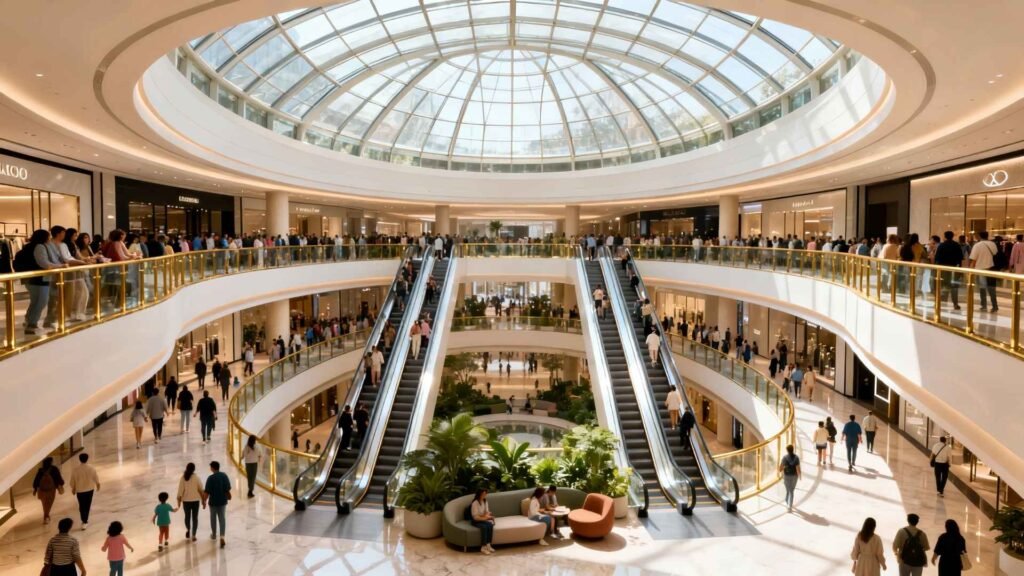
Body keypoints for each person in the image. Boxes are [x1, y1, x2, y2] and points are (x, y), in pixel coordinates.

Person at [968, 230, 999, 312]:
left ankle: (984, 305)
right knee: (992, 288)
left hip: (980, 269)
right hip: (991, 268)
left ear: (979, 236)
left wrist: (970, 270)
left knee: (982, 288)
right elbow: (995, 254)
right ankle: (994, 306)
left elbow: (973, 259)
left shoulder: (977, 245)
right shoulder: (993, 244)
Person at [203, 461, 231, 548]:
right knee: (222, 518)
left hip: (213, 502)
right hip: (222, 501)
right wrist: (228, 496)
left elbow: (207, 492)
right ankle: (222, 536)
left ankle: (214, 534)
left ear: (212, 468)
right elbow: (227, 488)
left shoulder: (210, 478)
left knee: (213, 518)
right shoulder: (224, 476)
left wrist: (204, 501)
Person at [69, 453, 100, 529]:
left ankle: (84, 520)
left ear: (79, 459)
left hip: (80, 490)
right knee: (87, 505)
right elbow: (96, 478)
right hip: (89, 490)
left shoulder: (75, 470)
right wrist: (98, 485)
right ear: (87, 459)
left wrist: (73, 488)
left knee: (82, 505)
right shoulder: (91, 468)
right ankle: (85, 520)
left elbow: (72, 481)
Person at [33, 456, 65, 525]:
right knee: (49, 503)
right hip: (51, 489)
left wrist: (35, 489)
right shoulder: (54, 469)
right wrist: (62, 483)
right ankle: (46, 516)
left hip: (42, 490)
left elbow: (36, 480)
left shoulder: (40, 470)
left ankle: (46, 516)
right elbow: (58, 477)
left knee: (44, 504)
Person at [177, 463, 204, 542]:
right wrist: (203, 500)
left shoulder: (183, 478)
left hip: (186, 501)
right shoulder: (196, 478)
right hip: (195, 501)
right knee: (195, 518)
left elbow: (180, 491)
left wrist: (178, 501)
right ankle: (194, 535)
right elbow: (201, 489)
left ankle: (188, 529)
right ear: (194, 469)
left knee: (187, 517)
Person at [470, 488, 496, 555]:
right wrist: (485, 517)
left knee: (490, 525)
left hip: (483, 518)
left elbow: (487, 512)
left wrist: (488, 516)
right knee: (484, 527)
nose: (484, 495)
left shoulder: (485, 501)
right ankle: (483, 547)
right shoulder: (475, 503)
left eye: (485, 494)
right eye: (483, 494)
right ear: (479, 494)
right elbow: (475, 517)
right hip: (476, 520)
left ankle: (488, 545)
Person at [778, 444, 800, 511]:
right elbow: (797, 468)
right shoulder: (796, 457)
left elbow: (780, 469)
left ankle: (787, 502)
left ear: (787, 450)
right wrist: (799, 475)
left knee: (789, 490)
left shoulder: (784, 458)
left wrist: (784, 468)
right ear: (793, 449)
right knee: (791, 490)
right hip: (794, 476)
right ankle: (789, 505)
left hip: (786, 476)